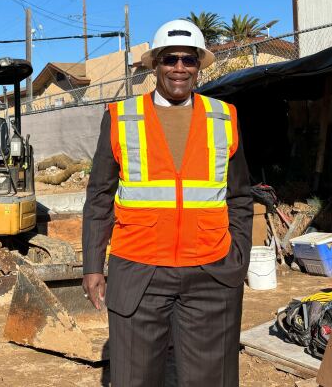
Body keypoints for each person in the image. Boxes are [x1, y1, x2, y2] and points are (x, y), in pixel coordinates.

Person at [82, 19, 253, 387]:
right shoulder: (121, 117)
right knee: (135, 378)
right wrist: (93, 265)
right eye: (170, 59)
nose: (179, 68)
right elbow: (98, 197)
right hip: (140, 272)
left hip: (211, 272)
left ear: (198, 66)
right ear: (155, 64)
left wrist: (239, 256)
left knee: (211, 380)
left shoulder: (225, 117)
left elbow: (239, 195)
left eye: (188, 60)